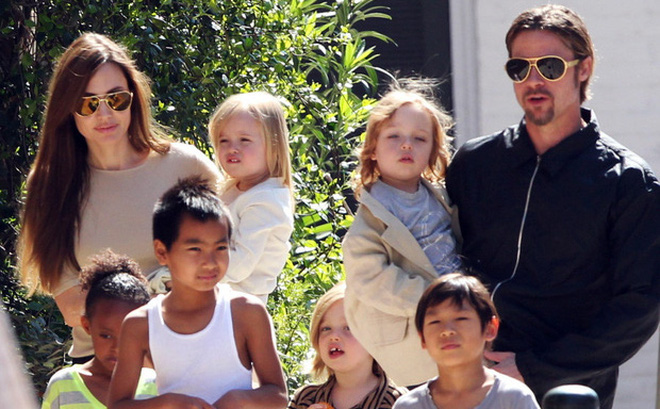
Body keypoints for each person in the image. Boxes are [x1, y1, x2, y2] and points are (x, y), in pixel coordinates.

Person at [445, 5, 660, 408]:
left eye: (549, 66)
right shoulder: (474, 164)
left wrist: (534, 368)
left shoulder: (628, 181)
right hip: (471, 385)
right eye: (519, 68)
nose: (534, 80)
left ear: (584, 69)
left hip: (567, 392)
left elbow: (639, 308)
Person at [17, 33, 222, 362]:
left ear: (134, 98)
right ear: (68, 109)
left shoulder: (185, 167)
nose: (104, 114)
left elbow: (234, 256)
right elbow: (72, 307)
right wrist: (163, 296)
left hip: (191, 354)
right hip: (101, 368)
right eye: (88, 103)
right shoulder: (50, 185)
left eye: (116, 99)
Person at [108, 177, 287, 409]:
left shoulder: (246, 312)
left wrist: (238, 399)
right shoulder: (141, 324)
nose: (210, 262)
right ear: (162, 252)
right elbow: (118, 405)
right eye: (195, 249)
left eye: (220, 248)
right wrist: (167, 404)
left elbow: (278, 396)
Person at [342, 80, 463, 386]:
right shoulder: (373, 214)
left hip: (460, 319)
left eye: (419, 138)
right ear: (372, 149)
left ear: (433, 151)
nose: (407, 145)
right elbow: (370, 278)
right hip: (414, 334)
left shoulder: (442, 197)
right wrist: (433, 298)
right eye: (394, 136)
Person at [392, 273, 540, 409]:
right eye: (435, 322)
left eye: (460, 318)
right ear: (422, 338)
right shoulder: (408, 405)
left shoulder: (513, 398)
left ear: (490, 328)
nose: (447, 330)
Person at [41, 249, 157, 409]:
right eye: (106, 336)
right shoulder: (63, 385)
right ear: (87, 325)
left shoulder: (157, 386)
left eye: (128, 336)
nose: (117, 347)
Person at [208, 91, 294, 302]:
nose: (232, 148)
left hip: (239, 308)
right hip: (215, 297)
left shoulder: (267, 201)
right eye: (224, 140)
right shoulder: (232, 188)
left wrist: (188, 272)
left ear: (274, 145)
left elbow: (238, 266)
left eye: (244, 140)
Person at [288, 282, 407, 409]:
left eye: (348, 328)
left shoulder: (397, 401)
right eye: (326, 328)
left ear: (375, 338)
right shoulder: (306, 398)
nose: (334, 336)